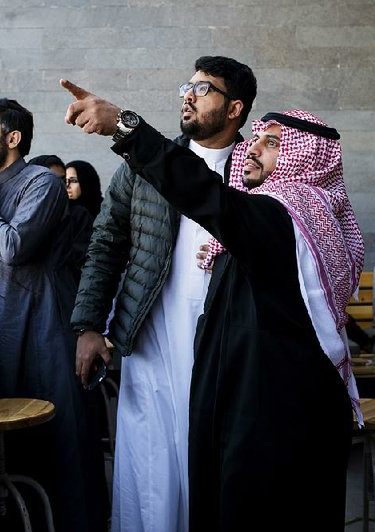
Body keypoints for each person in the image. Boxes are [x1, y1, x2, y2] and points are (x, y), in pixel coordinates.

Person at [63, 79, 365, 531]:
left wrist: (124, 127)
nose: (255, 149)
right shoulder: (307, 212)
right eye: (257, 139)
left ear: (305, 158)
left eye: (271, 143)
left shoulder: (281, 214)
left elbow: (208, 197)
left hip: (272, 411)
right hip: (286, 402)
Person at [70, 56, 257, 532]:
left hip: (224, 348)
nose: (188, 96)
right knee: (150, 468)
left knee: (211, 460)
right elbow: (106, 242)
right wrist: (89, 325)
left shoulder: (257, 174)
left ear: (235, 108)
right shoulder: (141, 166)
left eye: (204, 89)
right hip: (151, 340)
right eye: (186, 87)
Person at [0, 98, 106, 532]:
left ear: (13, 138)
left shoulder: (39, 184)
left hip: (45, 328)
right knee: (19, 446)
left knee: (62, 441)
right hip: (3, 332)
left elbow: (13, 248)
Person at [65, 160, 103, 283]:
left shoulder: (106, 212)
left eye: (74, 181)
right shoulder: (64, 213)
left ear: (86, 181)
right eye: (65, 180)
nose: (68, 185)